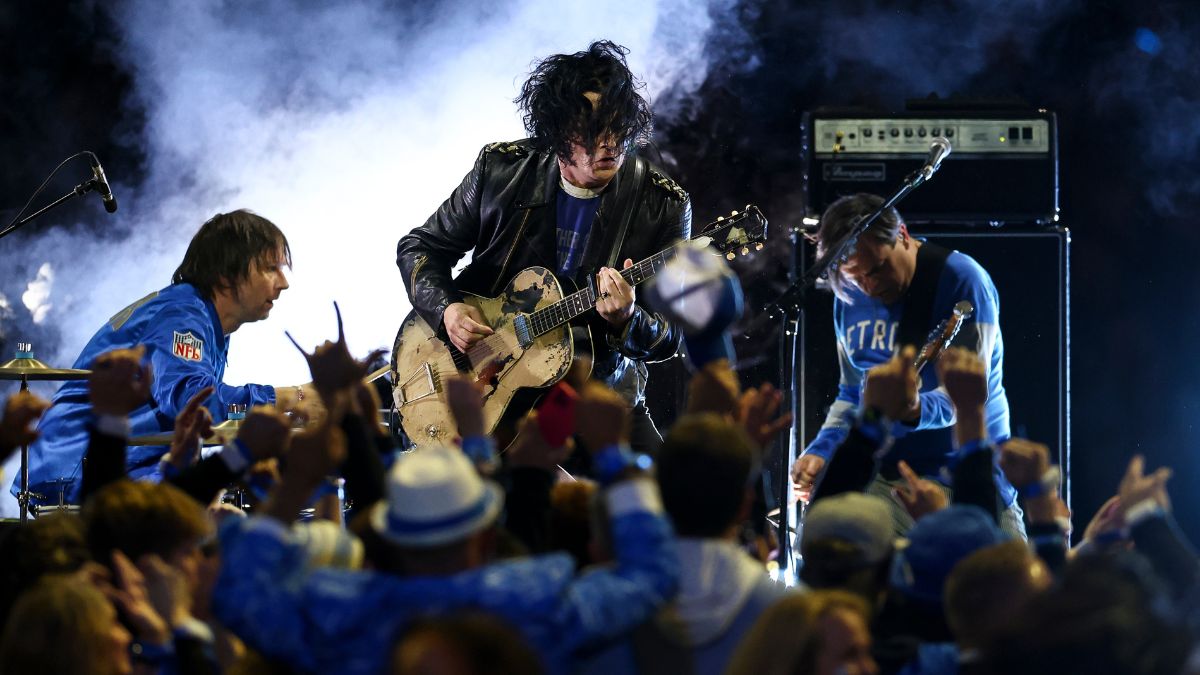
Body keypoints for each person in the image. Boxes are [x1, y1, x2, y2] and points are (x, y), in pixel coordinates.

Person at [396, 40, 691, 454]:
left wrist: (627, 319)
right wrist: (447, 309)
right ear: (559, 132)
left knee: (668, 503)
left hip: (597, 394)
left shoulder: (662, 204)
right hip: (492, 383)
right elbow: (421, 248)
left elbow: (670, 338)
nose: (609, 142)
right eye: (593, 129)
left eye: (619, 124)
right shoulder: (501, 170)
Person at [18, 209, 299, 505]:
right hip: (79, 468)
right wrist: (292, 398)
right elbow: (195, 403)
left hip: (107, 464)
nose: (283, 282)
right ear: (226, 274)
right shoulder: (183, 315)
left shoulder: (199, 315)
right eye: (270, 268)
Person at [792, 193, 1022, 536]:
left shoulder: (962, 280)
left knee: (1008, 584)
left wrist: (912, 408)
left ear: (902, 234)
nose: (869, 286)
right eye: (856, 277)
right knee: (830, 546)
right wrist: (821, 449)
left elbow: (965, 398)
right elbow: (853, 392)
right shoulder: (850, 294)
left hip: (965, 474)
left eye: (878, 268)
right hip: (887, 480)